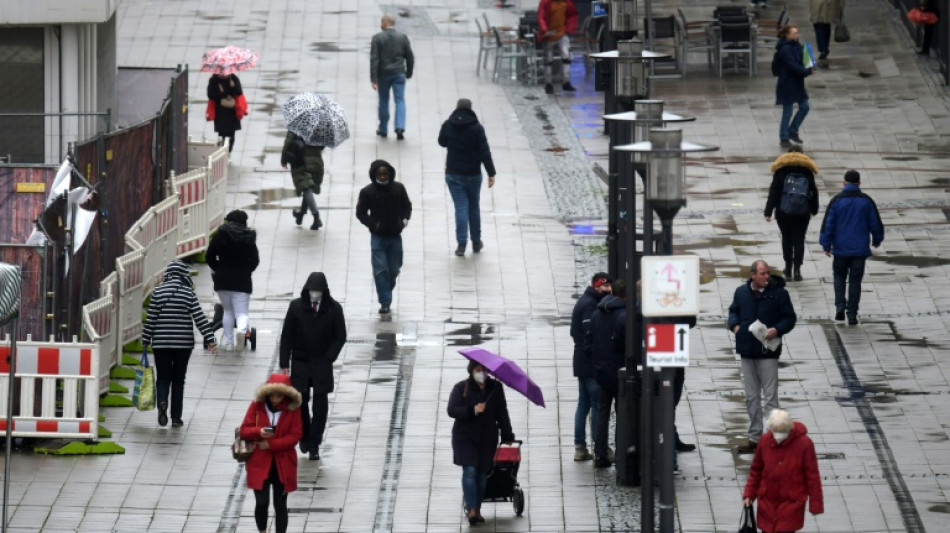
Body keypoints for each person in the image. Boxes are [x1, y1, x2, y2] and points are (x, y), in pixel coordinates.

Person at [728, 260, 797, 453]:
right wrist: (734, 325)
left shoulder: (779, 294)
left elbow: (790, 318)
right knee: (751, 398)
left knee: (770, 397)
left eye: (767, 273)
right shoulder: (741, 292)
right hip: (747, 350)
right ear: (753, 275)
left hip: (768, 352)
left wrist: (778, 329)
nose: (766, 277)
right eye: (762, 274)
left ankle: (772, 438)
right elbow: (734, 311)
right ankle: (755, 437)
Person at [279, 272, 347, 461]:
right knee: (299, 402)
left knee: (320, 404)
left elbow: (340, 336)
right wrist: (284, 362)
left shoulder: (333, 309)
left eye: (318, 291)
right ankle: (304, 435)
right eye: (312, 290)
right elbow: (287, 336)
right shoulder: (296, 307)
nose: (315, 294)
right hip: (300, 361)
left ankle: (315, 443)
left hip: (321, 362)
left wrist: (329, 357)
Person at [142, 260, 216, 428]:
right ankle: (176, 418)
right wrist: (210, 338)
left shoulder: (158, 292)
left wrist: (145, 339)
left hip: (160, 344)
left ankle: (162, 402)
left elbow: (151, 319)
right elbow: (199, 318)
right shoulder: (188, 293)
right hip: (183, 344)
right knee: (178, 380)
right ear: (184, 276)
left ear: (168, 275)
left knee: (162, 378)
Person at [447, 361, 515, 525]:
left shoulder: (496, 388)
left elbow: (502, 412)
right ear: (471, 371)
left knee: (482, 474)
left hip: (487, 438)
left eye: (485, 370)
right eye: (478, 370)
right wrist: (473, 410)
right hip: (465, 437)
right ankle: (471, 510)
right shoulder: (461, 387)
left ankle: (477, 509)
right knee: (470, 470)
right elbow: (452, 410)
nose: (482, 373)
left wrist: (507, 435)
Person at [819, 170, 884, 325]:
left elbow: (828, 224)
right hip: (859, 250)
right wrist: (877, 239)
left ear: (844, 183)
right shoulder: (867, 201)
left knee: (839, 277)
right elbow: (875, 223)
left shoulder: (836, 201)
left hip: (840, 249)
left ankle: (840, 307)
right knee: (855, 282)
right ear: (859, 184)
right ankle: (853, 314)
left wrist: (826, 244)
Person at [240, 373, 303, 533]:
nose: (275, 399)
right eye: (273, 395)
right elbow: (244, 430)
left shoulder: (293, 409)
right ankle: (262, 531)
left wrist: (271, 444)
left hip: (283, 464)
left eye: (279, 396)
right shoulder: (257, 406)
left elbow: (295, 436)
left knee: (280, 504)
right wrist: (259, 431)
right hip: (259, 462)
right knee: (261, 503)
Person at [743, 409, 824, 533]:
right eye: (776, 431)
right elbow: (756, 470)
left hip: (791, 502)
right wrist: (749, 494)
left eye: (782, 431)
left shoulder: (804, 444)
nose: (778, 435)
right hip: (767, 502)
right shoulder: (764, 441)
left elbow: (812, 476)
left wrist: (816, 504)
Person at [437, 98, 497, 257]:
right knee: (474, 207)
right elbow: (485, 151)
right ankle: (476, 241)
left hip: (454, 174)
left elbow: (441, 142)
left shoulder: (448, 125)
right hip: (473, 174)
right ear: (470, 109)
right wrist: (491, 172)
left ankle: (461, 244)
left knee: (460, 207)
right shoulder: (477, 128)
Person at [356, 160, 413, 314]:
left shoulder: (398, 188)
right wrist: (372, 224)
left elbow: (407, 206)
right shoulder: (367, 192)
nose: (382, 177)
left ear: (390, 174)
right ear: (375, 175)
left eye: (385, 174)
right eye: (379, 174)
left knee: (394, 269)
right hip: (378, 238)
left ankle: (386, 290)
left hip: (395, 236)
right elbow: (360, 213)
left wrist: (404, 220)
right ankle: (385, 301)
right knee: (381, 270)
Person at [569, 272, 612, 461]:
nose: (608, 289)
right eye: (605, 286)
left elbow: (573, 331)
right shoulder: (589, 305)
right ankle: (598, 446)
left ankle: (580, 447)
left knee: (584, 403)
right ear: (597, 286)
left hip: (581, 360)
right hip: (589, 362)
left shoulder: (586, 301)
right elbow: (589, 334)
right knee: (595, 404)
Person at [764, 146, 820, 281]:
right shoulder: (807, 171)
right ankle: (797, 270)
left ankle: (788, 268)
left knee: (786, 238)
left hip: (783, 211)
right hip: (802, 211)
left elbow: (774, 192)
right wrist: (814, 209)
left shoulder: (780, 170)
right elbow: (813, 192)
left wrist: (768, 211)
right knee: (799, 239)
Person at [207, 209, 260, 350]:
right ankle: (242, 332)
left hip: (223, 279)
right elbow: (255, 259)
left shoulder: (220, 236)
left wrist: (218, 269)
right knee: (241, 312)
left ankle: (229, 343)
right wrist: (247, 270)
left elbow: (209, 256)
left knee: (228, 311)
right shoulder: (248, 237)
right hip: (242, 280)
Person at [587, 280, 626, 468]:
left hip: (601, 371)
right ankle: (622, 452)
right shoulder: (625, 315)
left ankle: (600, 453)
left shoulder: (597, 313)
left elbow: (589, 341)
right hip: (620, 370)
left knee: (603, 412)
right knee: (622, 413)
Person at [370, 14, 414, 140]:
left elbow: (374, 59)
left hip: (383, 74)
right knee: (400, 100)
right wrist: (409, 72)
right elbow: (409, 56)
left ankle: (383, 128)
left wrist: (373, 78)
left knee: (384, 100)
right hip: (399, 73)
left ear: (384, 23)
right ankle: (400, 127)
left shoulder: (377, 38)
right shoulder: (403, 37)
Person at [774, 25, 815, 148]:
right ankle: (784, 137)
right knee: (788, 111)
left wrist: (810, 62)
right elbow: (792, 65)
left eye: (797, 33)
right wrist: (807, 71)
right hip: (787, 84)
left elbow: (803, 58)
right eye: (794, 33)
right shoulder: (785, 49)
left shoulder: (796, 45)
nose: (796, 35)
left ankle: (792, 130)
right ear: (787, 35)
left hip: (796, 83)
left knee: (804, 106)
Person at [280, 132, 325, 230]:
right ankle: (300, 214)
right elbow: (322, 146)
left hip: (300, 161)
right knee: (307, 188)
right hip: (316, 162)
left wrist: (283, 160)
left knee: (306, 188)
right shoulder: (319, 127)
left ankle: (316, 216)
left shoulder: (297, 125)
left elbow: (287, 143)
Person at [538, 0, 579, 95]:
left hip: (561, 33)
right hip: (549, 34)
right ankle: (549, 83)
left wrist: (568, 28)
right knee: (548, 59)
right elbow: (541, 17)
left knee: (566, 56)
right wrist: (545, 30)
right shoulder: (546, 2)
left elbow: (572, 15)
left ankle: (566, 82)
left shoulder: (566, 2)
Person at [206, 73, 246, 152]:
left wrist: (233, 86)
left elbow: (239, 92)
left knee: (231, 134)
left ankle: (229, 151)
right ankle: (222, 151)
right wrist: (221, 94)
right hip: (221, 113)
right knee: (222, 135)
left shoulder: (233, 78)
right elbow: (210, 95)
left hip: (232, 112)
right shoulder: (214, 80)